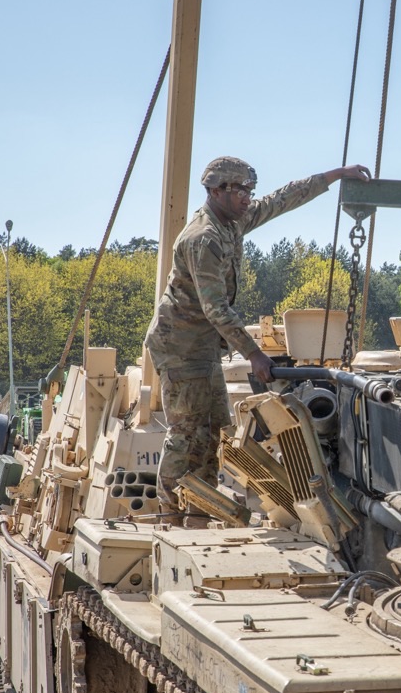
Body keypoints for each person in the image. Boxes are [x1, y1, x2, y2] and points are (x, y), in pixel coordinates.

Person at [145, 156, 371, 526]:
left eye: (250, 190)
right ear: (216, 191)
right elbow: (215, 308)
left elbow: (284, 198)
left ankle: (198, 512)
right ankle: (169, 516)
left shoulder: (232, 221)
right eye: (240, 191)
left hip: (203, 347)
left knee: (215, 431)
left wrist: (334, 175)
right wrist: (255, 355)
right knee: (186, 434)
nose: (248, 198)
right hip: (180, 347)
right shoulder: (204, 238)